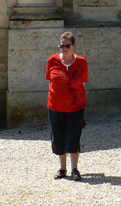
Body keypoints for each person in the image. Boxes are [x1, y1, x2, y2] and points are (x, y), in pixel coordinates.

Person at [46, 31, 88, 181]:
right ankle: (62, 168)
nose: (64, 48)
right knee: (58, 136)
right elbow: (50, 81)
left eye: (67, 46)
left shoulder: (82, 62)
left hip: (76, 106)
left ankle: (74, 169)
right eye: (61, 46)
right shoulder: (52, 60)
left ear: (74, 46)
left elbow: (82, 83)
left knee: (74, 136)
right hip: (55, 106)